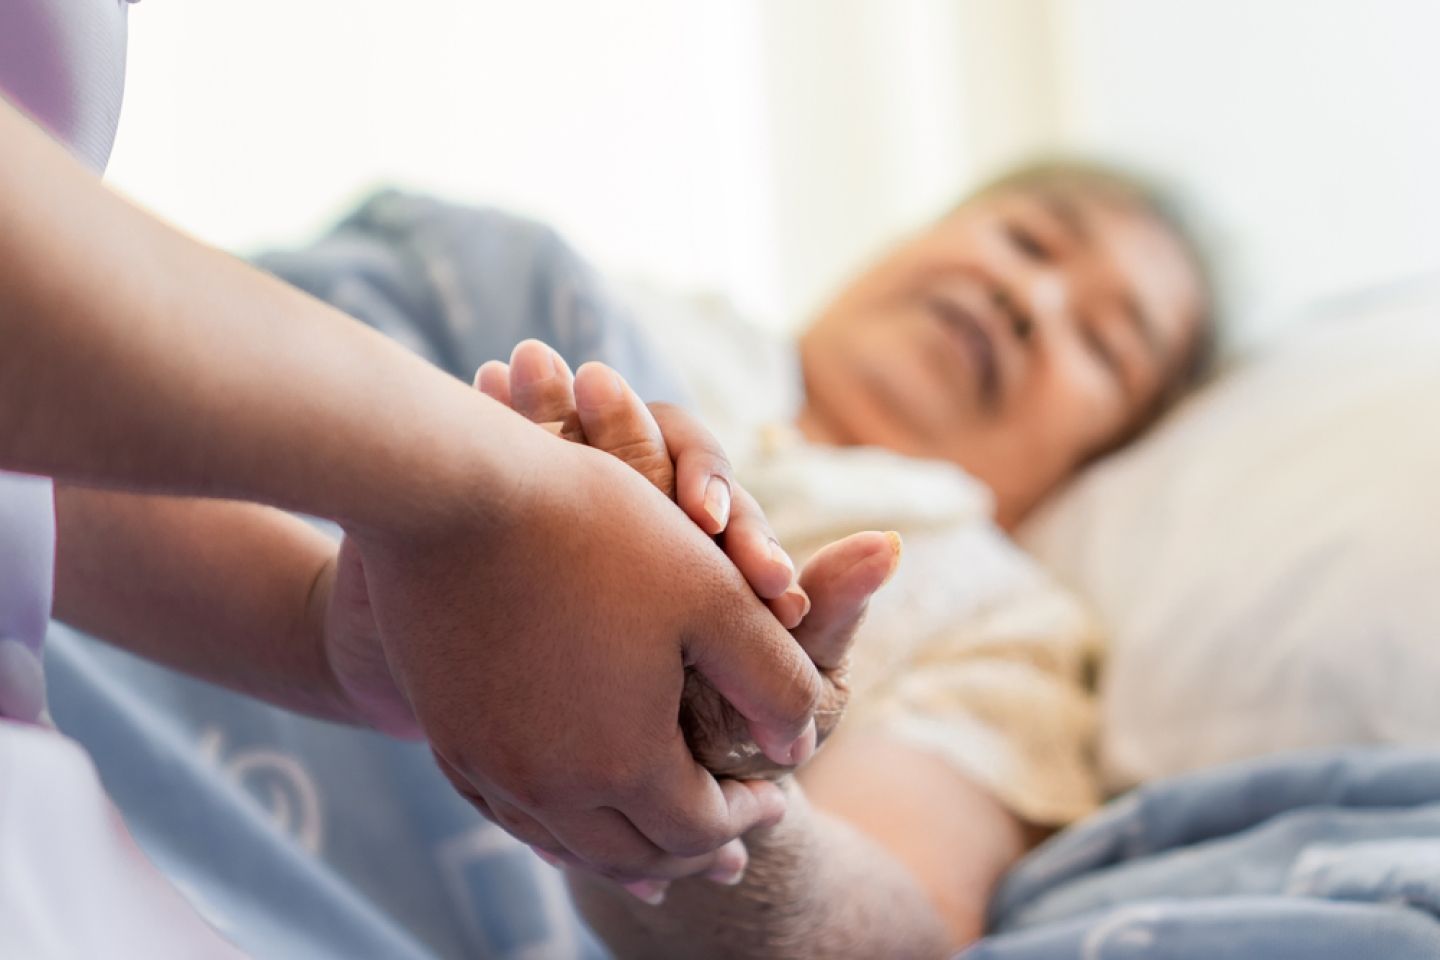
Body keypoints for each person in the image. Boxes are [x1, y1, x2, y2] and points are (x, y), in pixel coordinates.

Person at [0, 0, 849, 908]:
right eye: (1019, 235)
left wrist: (326, 635)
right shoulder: (537, 286)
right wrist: (479, 485)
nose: (1018, 302)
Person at [445, 161, 1210, 956]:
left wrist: (701, 791)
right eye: (1025, 239)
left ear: (1100, 456)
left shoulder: (1009, 625)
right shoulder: (608, 309)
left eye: (1101, 342)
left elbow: (896, 920)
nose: (1030, 299)